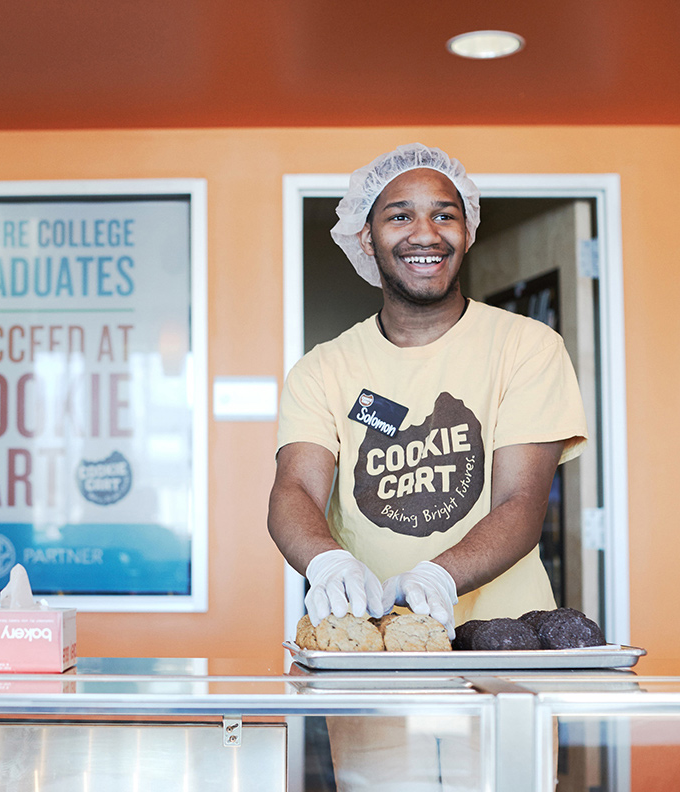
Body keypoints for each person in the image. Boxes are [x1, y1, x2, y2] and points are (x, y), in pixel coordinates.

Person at [267, 143, 588, 789]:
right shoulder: (325, 368)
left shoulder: (526, 347)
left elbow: (522, 502)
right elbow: (295, 487)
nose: (425, 233)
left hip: (507, 657)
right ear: (366, 234)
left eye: (445, 215)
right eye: (399, 215)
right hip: (373, 662)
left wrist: (439, 577)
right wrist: (327, 561)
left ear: (468, 231)